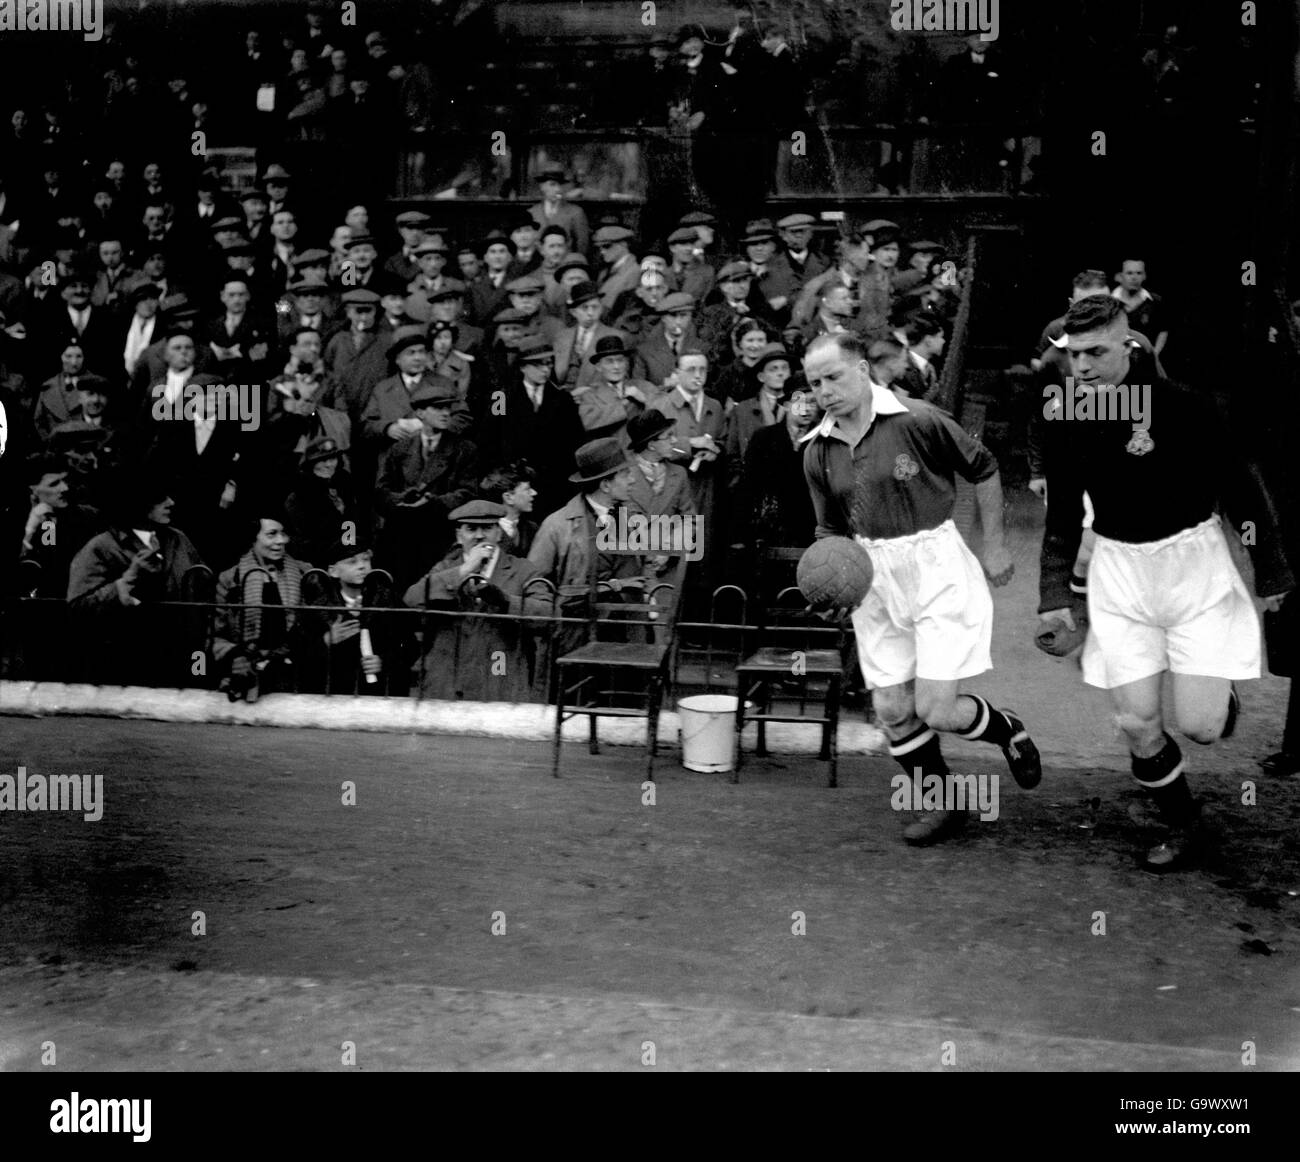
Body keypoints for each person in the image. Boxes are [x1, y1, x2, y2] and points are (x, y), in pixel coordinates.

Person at [1035, 295, 1291, 870]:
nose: (1082, 368)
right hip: (1120, 573)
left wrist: (1271, 569)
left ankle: (1214, 693)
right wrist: (1055, 598)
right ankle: (1185, 823)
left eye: (1095, 352)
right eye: (1073, 357)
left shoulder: (1188, 407)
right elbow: (1059, 520)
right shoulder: (1066, 419)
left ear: (1128, 345)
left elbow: (1242, 490)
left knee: (1199, 727)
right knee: (1136, 721)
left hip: (1193, 568)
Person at [801, 331, 1039, 846]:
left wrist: (995, 546)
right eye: (815, 383)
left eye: (834, 376)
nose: (824, 390)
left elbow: (985, 468)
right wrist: (830, 588)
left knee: (935, 708)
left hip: (934, 566)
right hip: (872, 576)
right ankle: (942, 804)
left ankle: (1006, 728)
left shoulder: (919, 420)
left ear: (863, 370)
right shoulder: (816, 451)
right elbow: (829, 532)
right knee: (890, 709)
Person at [405, 499, 550, 702]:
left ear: (499, 533)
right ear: (459, 536)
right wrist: (464, 570)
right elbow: (412, 600)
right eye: (471, 529)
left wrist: (506, 601)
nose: (480, 536)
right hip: (448, 676)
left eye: (487, 528)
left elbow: (548, 616)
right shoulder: (445, 568)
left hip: (498, 671)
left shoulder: (522, 570)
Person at [66, 478, 205, 687]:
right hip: (125, 665)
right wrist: (125, 582)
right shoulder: (101, 547)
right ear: (137, 503)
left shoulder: (178, 539)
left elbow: (202, 586)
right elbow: (78, 606)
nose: (171, 503)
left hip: (180, 658)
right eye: (160, 499)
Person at [528, 436, 646, 662]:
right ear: (605, 484)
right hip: (576, 636)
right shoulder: (558, 526)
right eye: (626, 474)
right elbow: (536, 583)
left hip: (627, 635)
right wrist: (555, 622)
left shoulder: (632, 519)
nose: (632, 480)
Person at [375, 376, 478, 590]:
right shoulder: (399, 450)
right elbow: (381, 492)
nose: (446, 413)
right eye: (437, 408)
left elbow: (468, 493)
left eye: (448, 408)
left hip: (441, 537)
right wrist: (403, 499)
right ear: (420, 413)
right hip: (404, 537)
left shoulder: (464, 450)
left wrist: (432, 503)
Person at [212, 515, 310, 702]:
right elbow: (218, 633)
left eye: (283, 534)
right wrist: (235, 657)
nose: (281, 541)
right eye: (272, 534)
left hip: (293, 668)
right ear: (253, 538)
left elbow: (311, 628)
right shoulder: (231, 579)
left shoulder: (303, 573)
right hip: (247, 663)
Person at [295, 537, 400, 695]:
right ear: (333, 571)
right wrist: (326, 640)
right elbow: (297, 651)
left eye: (365, 560)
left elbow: (407, 645)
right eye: (352, 562)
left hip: (376, 693)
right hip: (333, 691)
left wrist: (383, 662)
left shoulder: (386, 600)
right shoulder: (319, 607)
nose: (362, 566)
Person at [481, 462, 539, 558]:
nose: (534, 493)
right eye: (527, 489)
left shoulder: (531, 529)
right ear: (508, 498)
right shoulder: (485, 533)